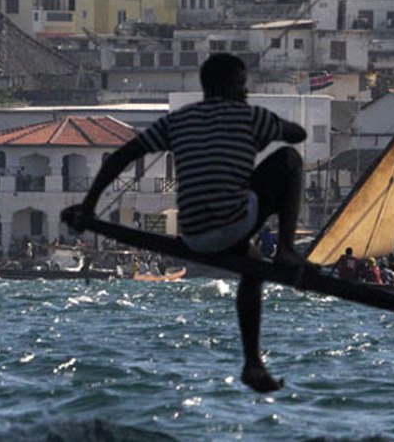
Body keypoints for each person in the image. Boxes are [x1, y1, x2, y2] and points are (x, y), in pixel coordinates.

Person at [67, 53, 310, 393]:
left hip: (194, 235)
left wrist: (89, 208)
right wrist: (272, 129)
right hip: (236, 222)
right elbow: (297, 135)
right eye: (241, 86)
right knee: (288, 160)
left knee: (252, 264)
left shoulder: (178, 121)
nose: (245, 93)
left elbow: (122, 156)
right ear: (225, 86)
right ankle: (286, 250)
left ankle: (254, 366)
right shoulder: (251, 116)